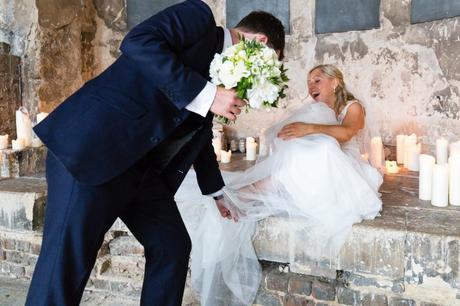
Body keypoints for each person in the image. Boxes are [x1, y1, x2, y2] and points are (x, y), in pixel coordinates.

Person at [25, 0, 285, 305]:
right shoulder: (198, 17)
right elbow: (137, 42)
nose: (259, 78)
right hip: (95, 148)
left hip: (140, 170)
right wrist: (209, 95)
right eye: (271, 63)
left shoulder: (223, 75)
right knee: (64, 269)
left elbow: (197, 131)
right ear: (260, 43)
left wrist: (215, 191)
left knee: (171, 245)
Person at [176, 64, 383, 306]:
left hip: (344, 168)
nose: (311, 86)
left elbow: (347, 133)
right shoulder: (317, 111)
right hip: (319, 168)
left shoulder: (352, 106)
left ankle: (248, 193)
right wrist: (296, 133)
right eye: (309, 82)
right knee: (303, 148)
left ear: (335, 82)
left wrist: (308, 129)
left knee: (322, 148)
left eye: (317, 80)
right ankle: (251, 192)